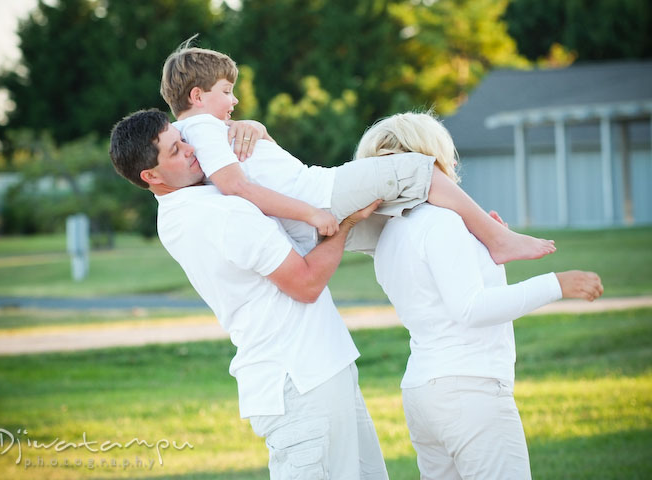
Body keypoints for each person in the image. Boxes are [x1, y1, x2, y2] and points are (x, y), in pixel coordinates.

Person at [109, 108, 390, 479]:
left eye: (184, 139)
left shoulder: (180, 209)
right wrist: (348, 222)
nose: (192, 150)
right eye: (175, 150)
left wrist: (251, 127)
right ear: (151, 176)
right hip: (299, 382)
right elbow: (306, 284)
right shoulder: (221, 215)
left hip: (320, 367)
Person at [364, 112, 604, 479]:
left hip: (422, 393)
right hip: (469, 390)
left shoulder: (389, 234)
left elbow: (438, 300)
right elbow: (471, 308)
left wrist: (489, 259)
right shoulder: (442, 222)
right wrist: (557, 283)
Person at [159, 38, 556, 260]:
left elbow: (261, 168)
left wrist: (258, 129)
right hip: (319, 195)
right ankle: (497, 240)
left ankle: (483, 241)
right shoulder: (201, 127)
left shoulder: (198, 132)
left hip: (311, 216)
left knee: (404, 228)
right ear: (197, 95)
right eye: (227, 92)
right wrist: (312, 213)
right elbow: (238, 187)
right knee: (415, 167)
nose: (234, 102)